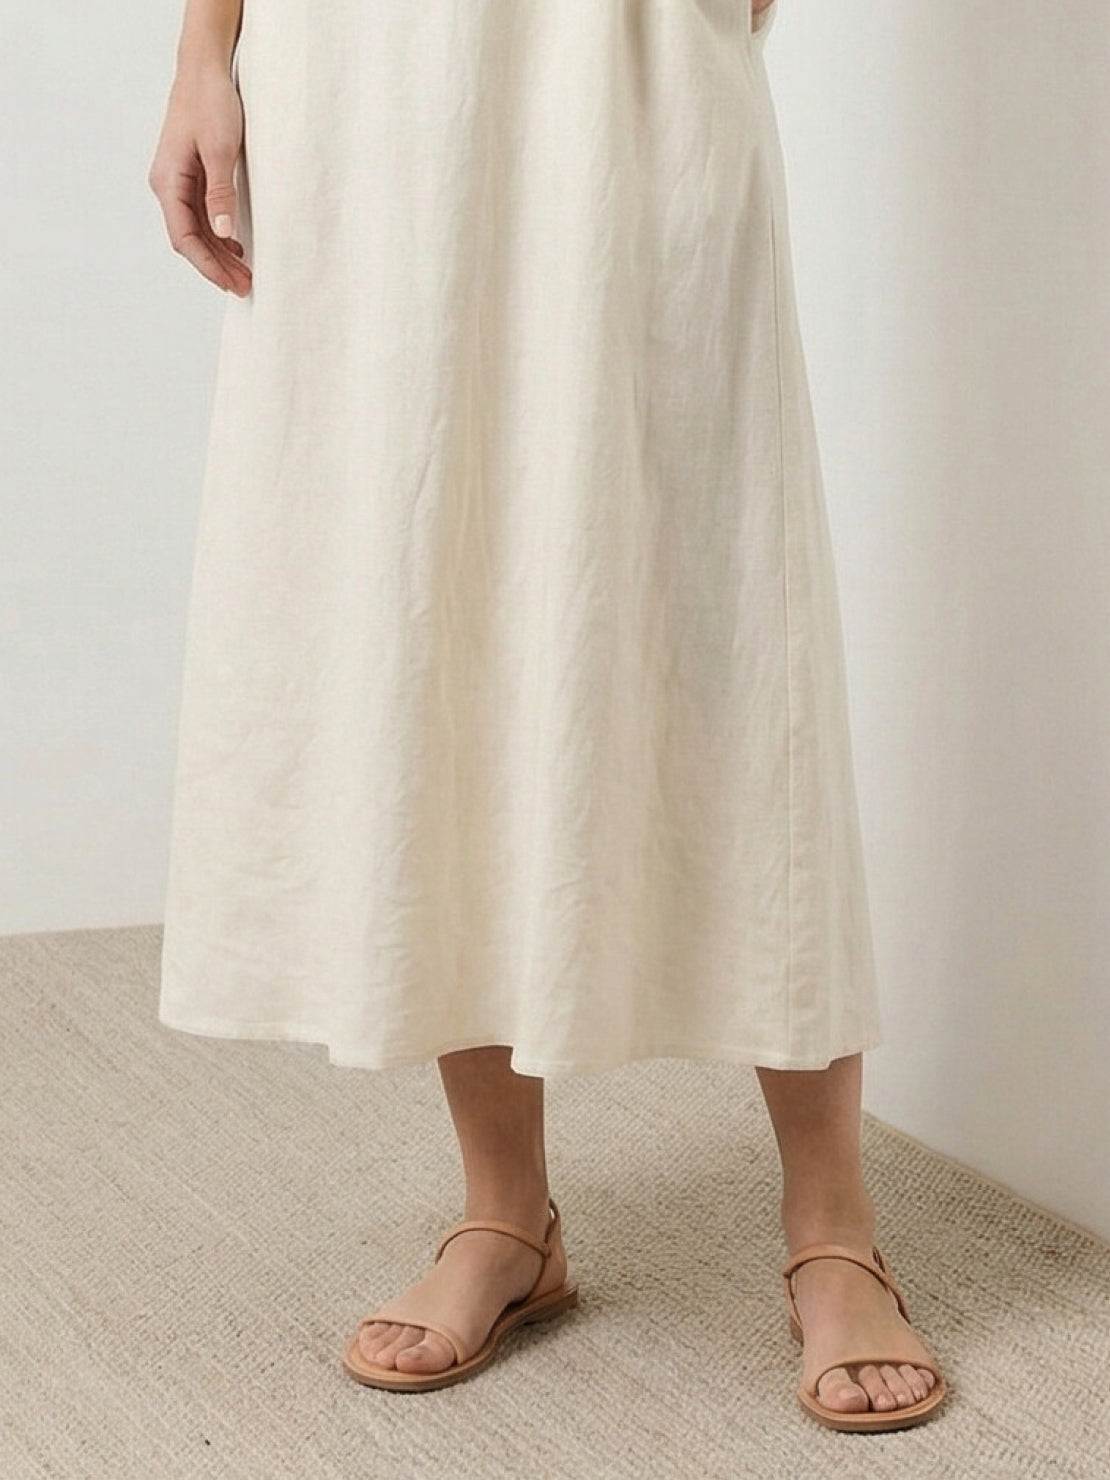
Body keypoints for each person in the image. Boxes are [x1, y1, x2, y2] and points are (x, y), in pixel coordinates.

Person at [148, 0, 947, 1430]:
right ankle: (505, 1213)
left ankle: (833, 1226)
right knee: (429, 610)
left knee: (727, 613)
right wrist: (202, 56)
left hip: (627, 61)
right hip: (361, 77)